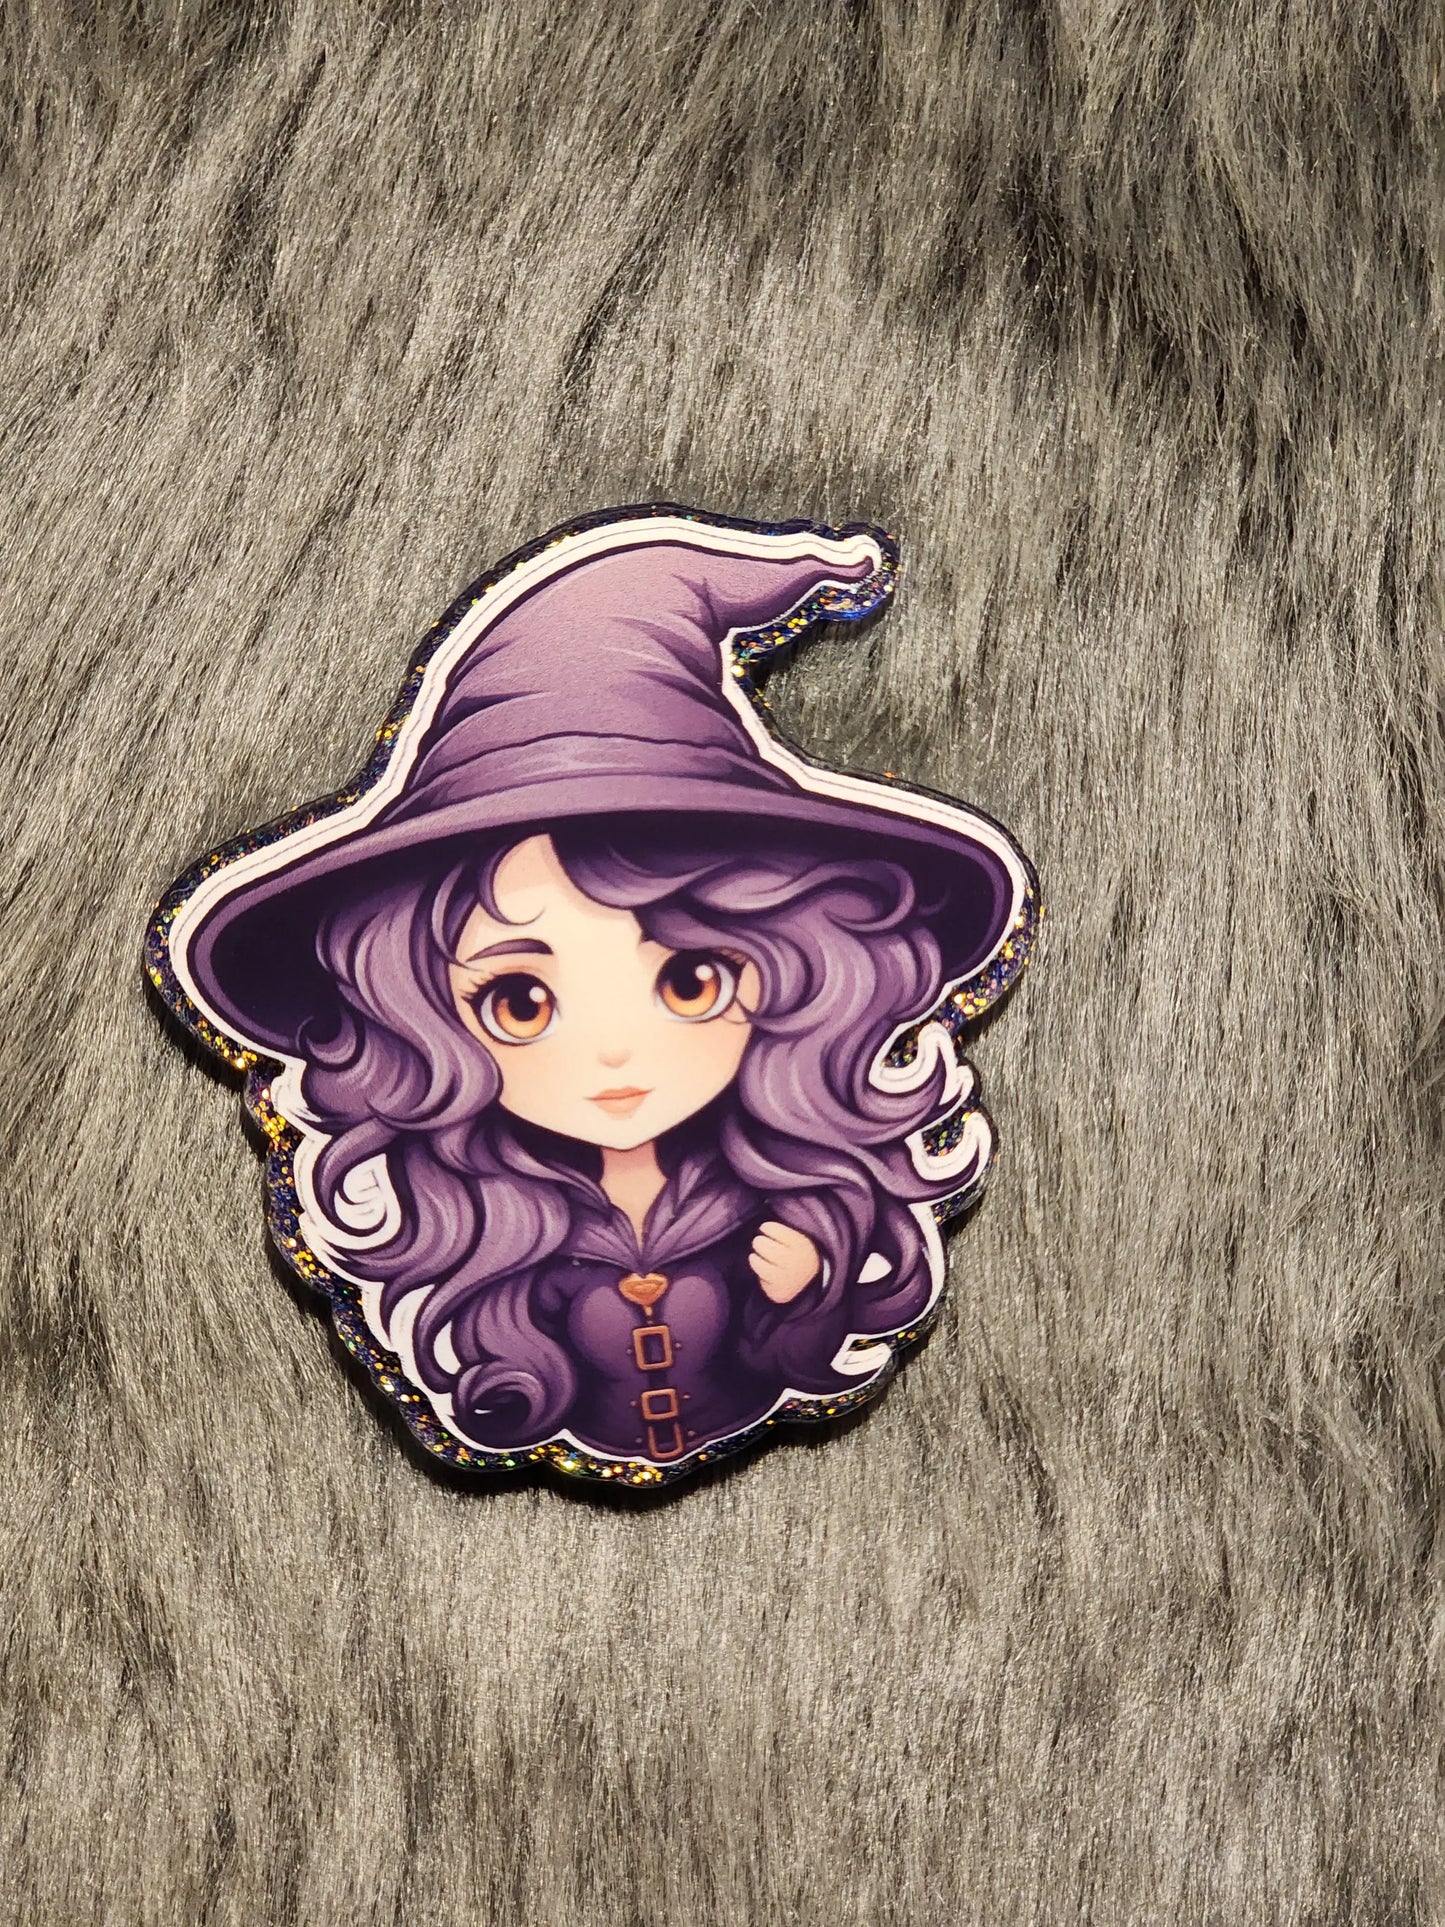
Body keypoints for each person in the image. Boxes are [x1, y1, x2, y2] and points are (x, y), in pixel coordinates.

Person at [156, 505, 1036, 1480]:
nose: (613, 1050)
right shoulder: (493, 1217)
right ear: (420, 1022)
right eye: (520, 1003)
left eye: (690, 979)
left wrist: (806, 1292)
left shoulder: (764, 1191)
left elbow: (801, 1354)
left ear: (798, 974)